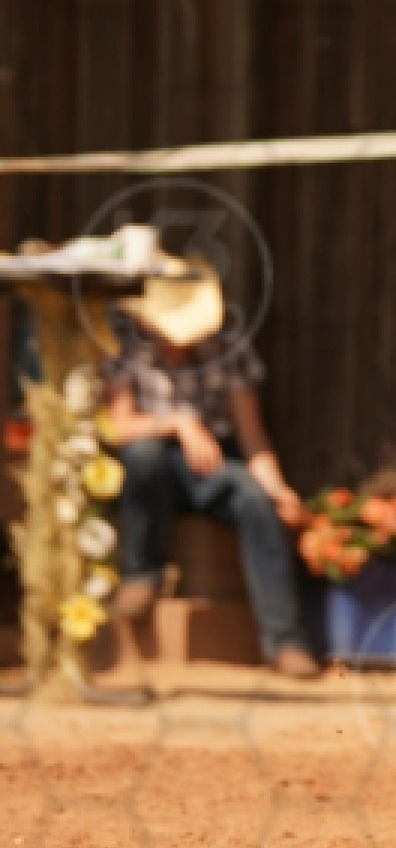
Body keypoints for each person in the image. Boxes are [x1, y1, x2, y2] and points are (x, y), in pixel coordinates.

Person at [102, 263, 320, 678]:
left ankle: (285, 641)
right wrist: (179, 423)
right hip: (151, 466)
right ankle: (141, 574)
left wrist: (277, 488)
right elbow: (117, 426)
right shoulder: (126, 349)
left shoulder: (229, 349)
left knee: (255, 500)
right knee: (143, 456)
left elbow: (252, 437)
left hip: (213, 463)